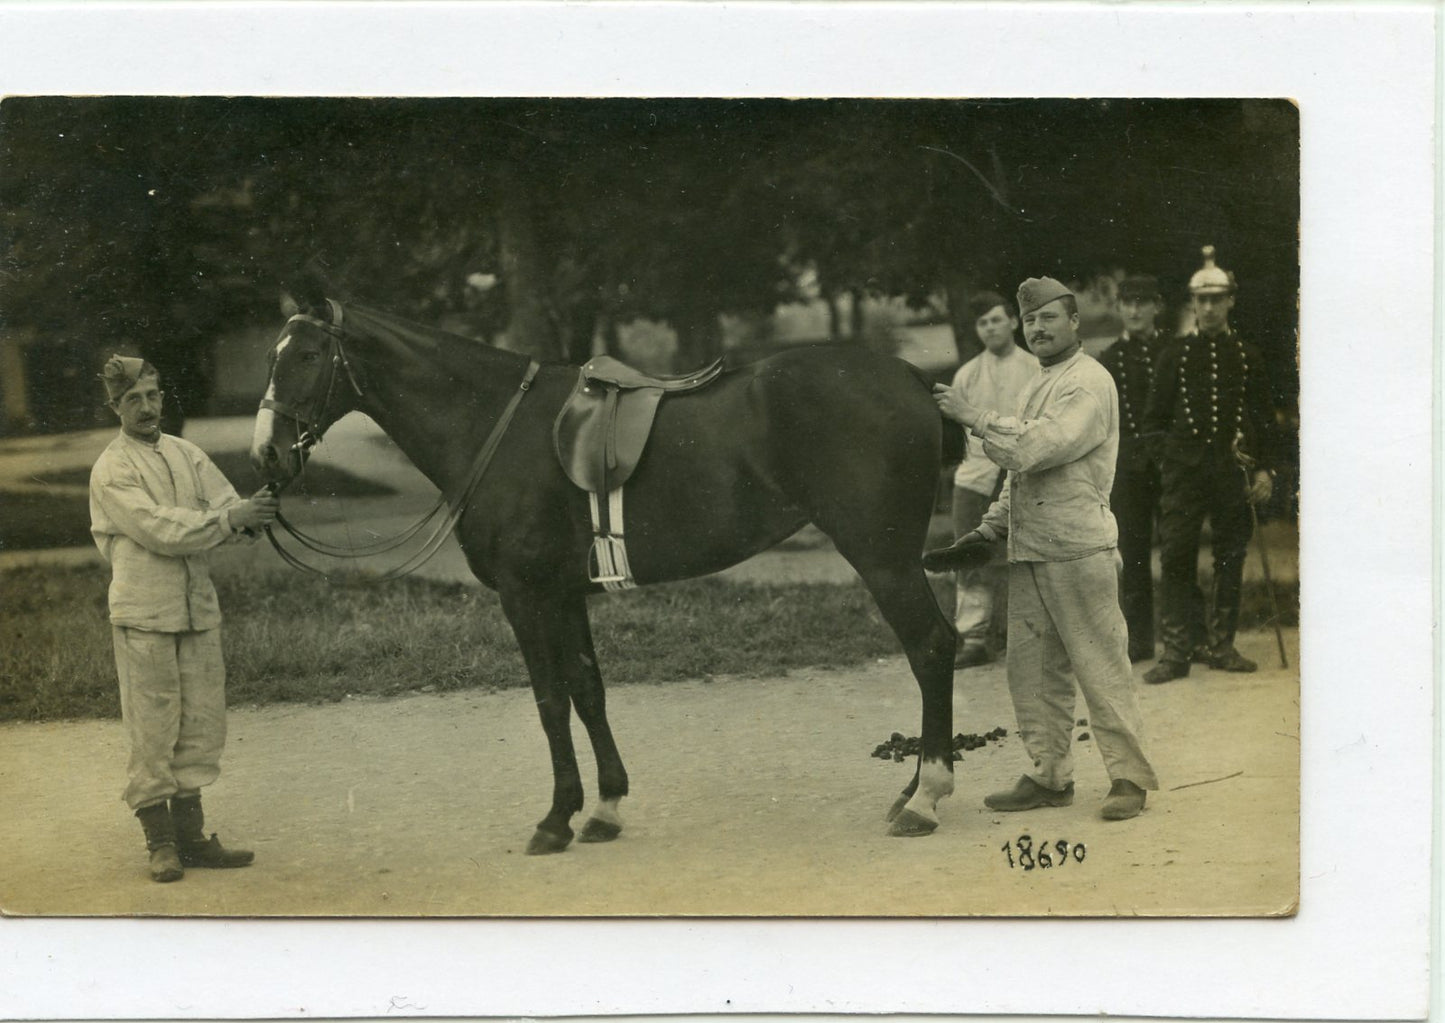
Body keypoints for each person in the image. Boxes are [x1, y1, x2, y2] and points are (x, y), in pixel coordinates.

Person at [925, 277, 1159, 821]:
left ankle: (1128, 777)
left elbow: (1037, 447)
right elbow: (1016, 475)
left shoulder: (1089, 382)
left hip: (1079, 550)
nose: (1037, 328)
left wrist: (973, 416)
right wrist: (989, 529)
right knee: (1031, 674)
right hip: (1030, 551)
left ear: (1075, 322)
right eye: (1030, 321)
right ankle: (1050, 777)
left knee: (1100, 668)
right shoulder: (1039, 383)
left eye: (1049, 318)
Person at [89, 354, 279, 882]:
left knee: (201, 725)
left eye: (152, 395)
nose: (146, 408)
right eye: (132, 400)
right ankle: (160, 844)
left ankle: (193, 839)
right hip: (145, 615)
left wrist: (251, 515)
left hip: (197, 611)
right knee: (153, 730)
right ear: (115, 407)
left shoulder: (186, 453)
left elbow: (223, 504)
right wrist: (227, 519)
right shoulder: (112, 468)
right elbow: (160, 530)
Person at [1140, 247, 1279, 684]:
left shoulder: (1247, 356)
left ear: (1230, 301)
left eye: (1217, 299)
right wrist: (1169, 463)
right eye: (1202, 300)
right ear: (1192, 304)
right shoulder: (1175, 355)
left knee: (1230, 556)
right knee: (1177, 555)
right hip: (1183, 474)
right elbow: (1153, 422)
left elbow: (1263, 421)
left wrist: (1264, 471)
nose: (1209, 308)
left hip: (1230, 472)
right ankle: (1177, 651)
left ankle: (1222, 645)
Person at [943, 291, 1039, 668]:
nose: (990, 328)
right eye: (982, 323)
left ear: (1014, 322)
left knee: (1027, 556)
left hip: (1022, 473)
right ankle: (974, 637)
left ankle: (1027, 636)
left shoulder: (1035, 368)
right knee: (969, 554)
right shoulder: (966, 374)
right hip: (976, 476)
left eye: (996, 320)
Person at [1096, 274, 1168, 663]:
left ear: (1158, 306)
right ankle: (1140, 640)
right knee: (1134, 553)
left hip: (1173, 465)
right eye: (1128, 302)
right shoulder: (1108, 360)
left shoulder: (1176, 351)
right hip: (1128, 469)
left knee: (1178, 550)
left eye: (1143, 301)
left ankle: (1186, 636)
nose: (1135, 310)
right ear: (1120, 309)